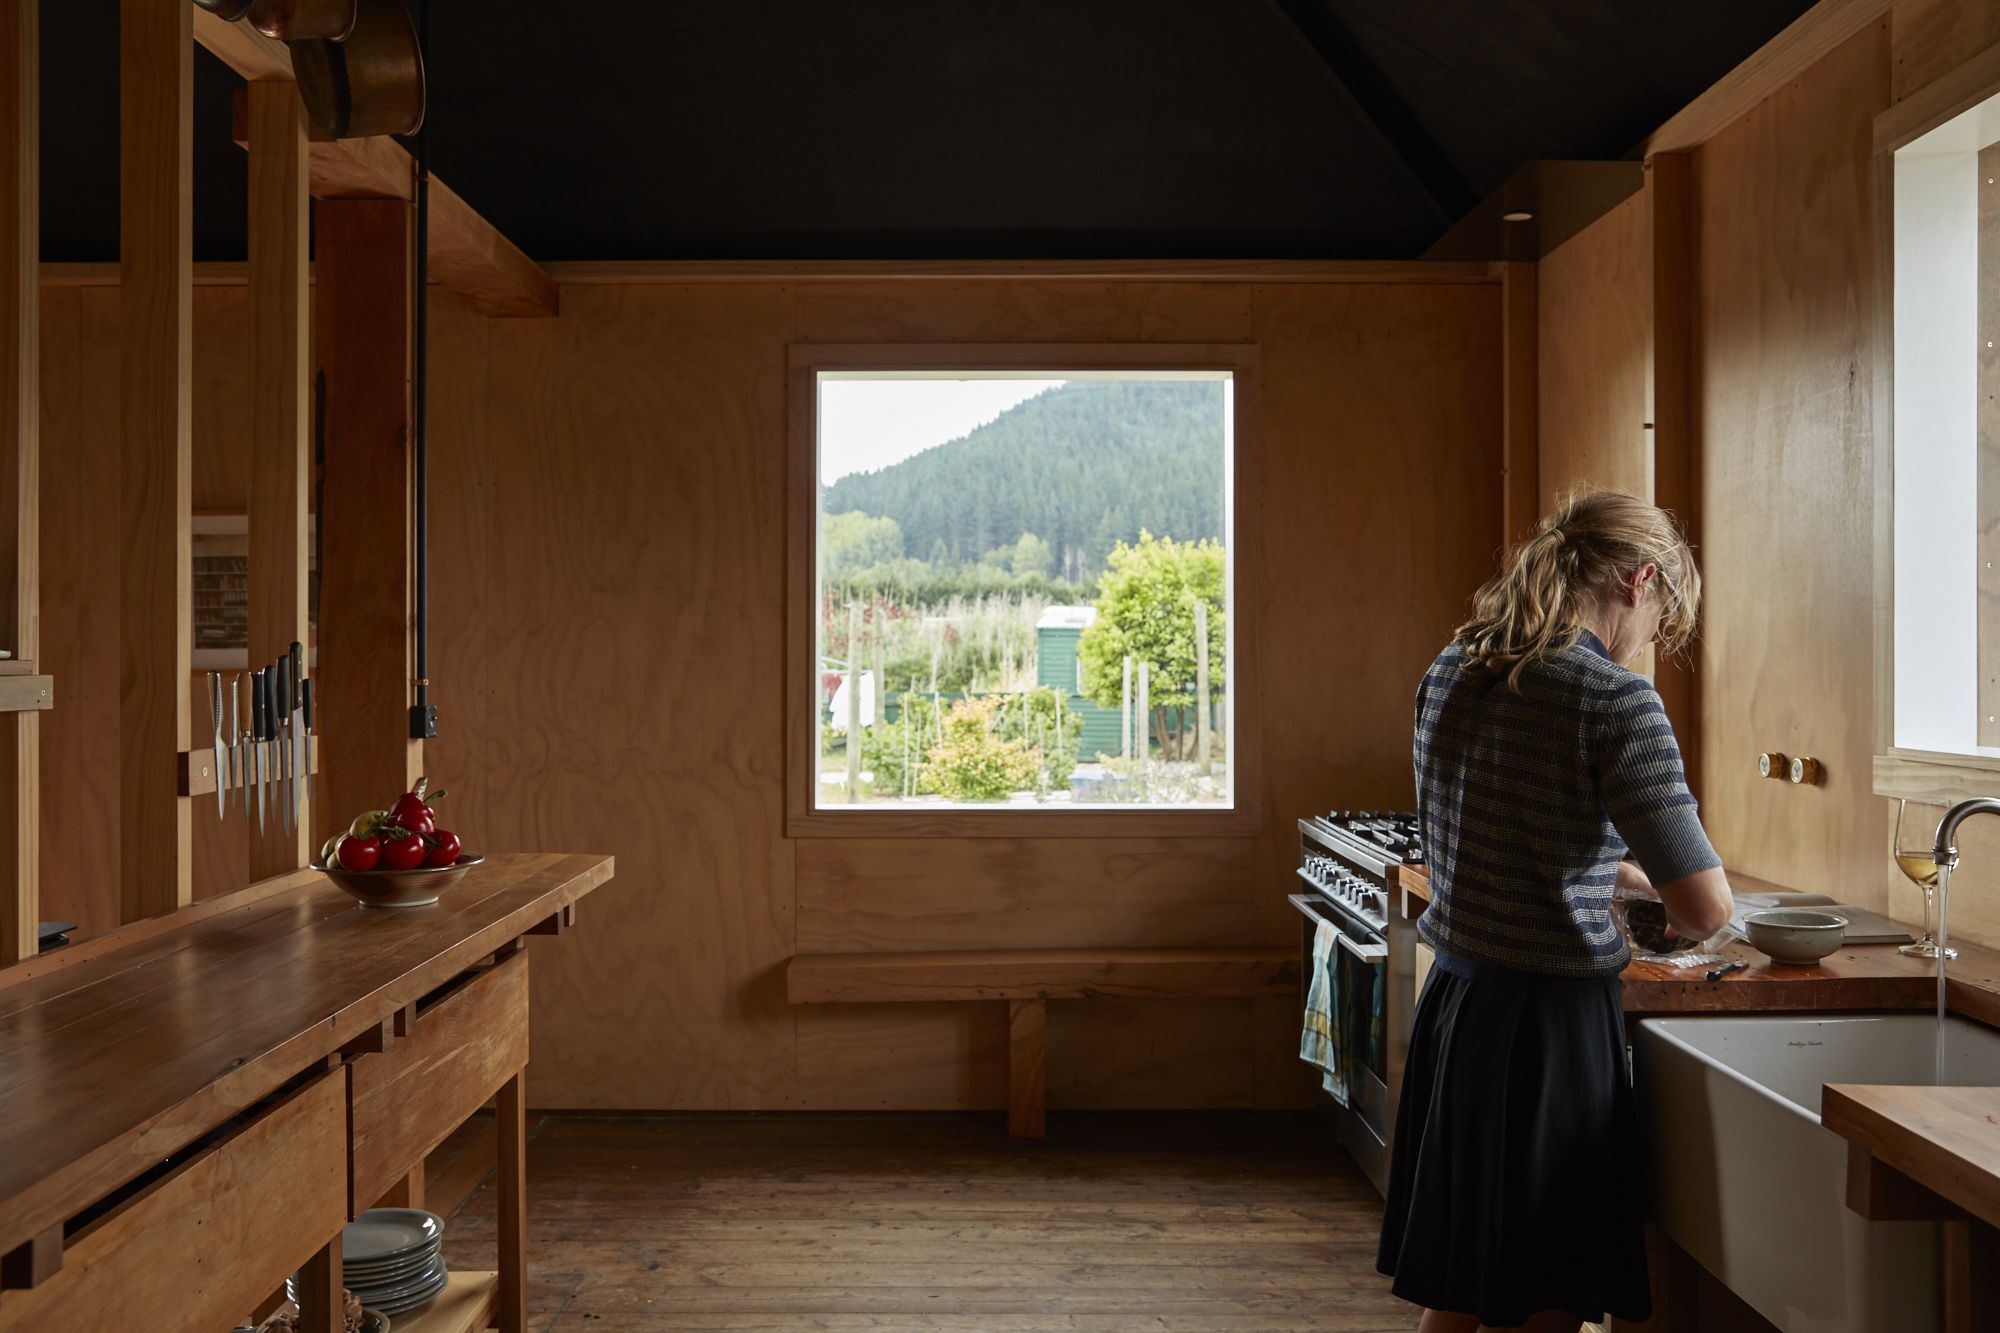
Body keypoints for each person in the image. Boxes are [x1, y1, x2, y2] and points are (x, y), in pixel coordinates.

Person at [1376, 490, 1734, 1333]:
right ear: (1640, 579)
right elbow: (1706, 905)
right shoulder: (1615, 701)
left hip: (1460, 1009)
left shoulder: (1456, 666)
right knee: (1546, 1304)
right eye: (1661, 613)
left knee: (1461, 1295)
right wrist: (1675, 890)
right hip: (1550, 1036)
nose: (1650, 638)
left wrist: (1615, 875)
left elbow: (1515, 841)